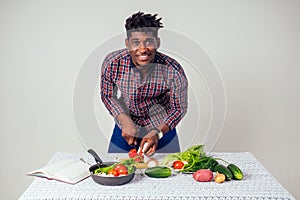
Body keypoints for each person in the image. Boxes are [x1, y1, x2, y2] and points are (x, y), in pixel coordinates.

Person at [100, 11, 188, 156]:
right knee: (117, 170)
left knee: (170, 173)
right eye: (135, 43)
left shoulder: (174, 70)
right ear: (127, 44)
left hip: (162, 128)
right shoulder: (112, 63)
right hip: (125, 127)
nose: (142, 49)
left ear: (157, 42)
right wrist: (125, 120)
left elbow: (179, 108)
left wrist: (157, 132)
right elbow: (108, 95)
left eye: (149, 42)